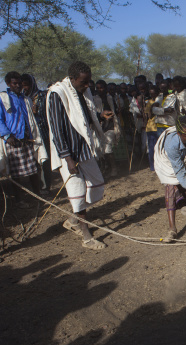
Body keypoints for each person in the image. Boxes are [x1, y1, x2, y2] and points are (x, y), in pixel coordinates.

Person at [46, 61, 109, 250]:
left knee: (97, 186)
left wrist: (100, 117)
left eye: (88, 82)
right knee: (77, 192)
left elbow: (83, 118)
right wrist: (67, 158)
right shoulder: (57, 94)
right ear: (72, 79)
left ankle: (73, 220)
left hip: (84, 148)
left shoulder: (82, 93)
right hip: (69, 153)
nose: (87, 86)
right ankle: (87, 237)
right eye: (84, 82)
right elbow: (57, 129)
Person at [0, 71, 47, 208]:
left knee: (34, 168)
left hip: (27, 139)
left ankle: (37, 196)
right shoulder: (3, 98)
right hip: (13, 140)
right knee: (16, 173)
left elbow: (30, 119)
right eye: (15, 83)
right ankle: (19, 200)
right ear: (9, 84)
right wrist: (8, 136)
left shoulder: (25, 99)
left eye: (20, 83)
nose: (18, 85)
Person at [20, 73, 52, 194]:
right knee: (33, 161)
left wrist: (37, 113)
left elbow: (48, 114)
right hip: (30, 135)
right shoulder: (22, 99)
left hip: (43, 132)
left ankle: (45, 187)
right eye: (23, 86)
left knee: (44, 160)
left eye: (26, 85)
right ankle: (36, 187)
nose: (25, 88)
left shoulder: (42, 96)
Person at [93, 80, 120, 177]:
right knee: (101, 150)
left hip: (111, 126)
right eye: (98, 88)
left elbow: (115, 110)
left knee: (108, 148)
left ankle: (114, 169)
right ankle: (106, 168)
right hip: (100, 127)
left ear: (105, 88)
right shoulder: (94, 99)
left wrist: (112, 113)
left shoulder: (110, 98)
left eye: (102, 87)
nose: (100, 90)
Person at [145, 85, 160, 171]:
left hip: (160, 126)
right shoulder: (149, 102)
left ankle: (160, 165)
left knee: (160, 148)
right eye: (151, 94)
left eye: (155, 94)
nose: (153, 96)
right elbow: (149, 116)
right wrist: (152, 107)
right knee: (151, 148)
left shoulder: (161, 100)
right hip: (151, 128)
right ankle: (152, 166)